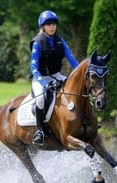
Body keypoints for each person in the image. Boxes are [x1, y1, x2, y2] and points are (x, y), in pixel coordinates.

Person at [30, 10, 79, 145]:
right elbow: (33, 69)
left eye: (54, 24)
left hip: (56, 75)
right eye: (48, 24)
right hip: (40, 78)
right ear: (43, 26)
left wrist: (81, 74)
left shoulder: (60, 41)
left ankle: (84, 120)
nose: (52, 27)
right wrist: (44, 84)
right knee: (40, 99)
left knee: (77, 89)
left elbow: (73, 62)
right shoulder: (37, 43)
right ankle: (40, 131)